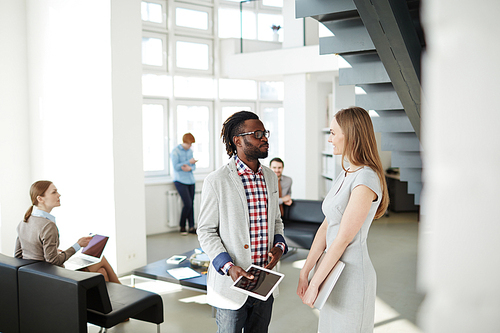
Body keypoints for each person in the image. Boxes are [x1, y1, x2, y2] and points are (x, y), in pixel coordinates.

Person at [296, 107, 389, 333]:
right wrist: (305, 271)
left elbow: (342, 239)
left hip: (351, 278)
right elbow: (327, 225)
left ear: (351, 135)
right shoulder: (346, 172)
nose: (329, 139)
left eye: (333, 133)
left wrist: (316, 282)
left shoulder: (366, 178)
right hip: (332, 273)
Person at [197, 111, 288, 333]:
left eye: (264, 133)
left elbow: (276, 220)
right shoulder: (216, 181)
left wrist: (279, 247)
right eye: (257, 134)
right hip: (231, 286)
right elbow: (206, 231)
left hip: (264, 284)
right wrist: (228, 267)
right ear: (237, 140)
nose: (264, 138)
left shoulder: (269, 176)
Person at [15, 180, 122, 283]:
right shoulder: (48, 225)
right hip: (53, 275)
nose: (59, 195)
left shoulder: (24, 221)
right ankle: (126, 294)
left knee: (101, 272)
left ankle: (117, 299)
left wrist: (51, 251)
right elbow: (54, 261)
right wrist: (78, 245)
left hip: (35, 274)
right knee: (101, 261)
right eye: (54, 192)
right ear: (40, 199)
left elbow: (19, 255)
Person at [171, 133, 197, 235]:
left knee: (192, 204)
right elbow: (176, 167)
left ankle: (191, 227)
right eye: (189, 144)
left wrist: (190, 167)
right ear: (184, 142)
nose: (190, 146)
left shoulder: (190, 151)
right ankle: (182, 226)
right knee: (187, 204)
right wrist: (188, 162)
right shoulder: (175, 151)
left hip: (191, 180)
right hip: (180, 181)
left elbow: (193, 166)